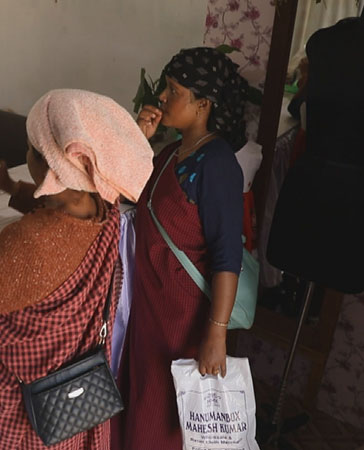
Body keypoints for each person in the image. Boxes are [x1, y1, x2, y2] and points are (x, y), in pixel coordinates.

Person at [0, 89, 153, 450]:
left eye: (29, 149)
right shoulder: (105, 207)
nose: (24, 154)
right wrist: (13, 188)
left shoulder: (33, 240)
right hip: (75, 395)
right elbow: (64, 205)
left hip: (24, 409)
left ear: (50, 165)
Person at [112, 47, 247, 449]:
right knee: (142, 402)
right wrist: (139, 140)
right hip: (151, 309)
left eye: (174, 91)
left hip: (183, 319)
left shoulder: (218, 164)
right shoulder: (172, 153)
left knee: (167, 418)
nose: (163, 98)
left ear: (203, 104)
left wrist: (216, 334)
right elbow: (125, 196)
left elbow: (227, 256)